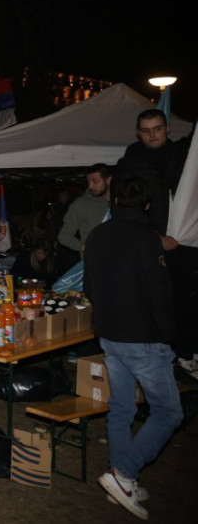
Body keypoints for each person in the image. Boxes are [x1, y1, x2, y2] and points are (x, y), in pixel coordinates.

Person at [84, 175, 183, 520]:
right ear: (148, 205)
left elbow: (89, 286)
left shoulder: (98, 235)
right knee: (168, 412)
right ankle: (123, 473)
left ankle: (121, 478)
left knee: (121, 408)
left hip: (110, 334)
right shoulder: (146, 239)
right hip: (143, 338)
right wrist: (170, 336)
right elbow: (159, 294)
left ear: (115, 200)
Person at [117, 108, 197, 378]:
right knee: (154, 304)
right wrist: (155, 238)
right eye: (146, 130)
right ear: (138, 133)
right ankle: (159, 361)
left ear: (167, 129)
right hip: (150, 246)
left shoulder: (181, 155)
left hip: (186, 243)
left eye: (158, 129)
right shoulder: (131, 163)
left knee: (186, 303)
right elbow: (125, 208)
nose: (153, 135)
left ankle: (186, 355)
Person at [56, 163, 111, 273]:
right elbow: (63, 236)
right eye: (89, 182)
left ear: (109, 180)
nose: (90, 186)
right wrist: (84, 247)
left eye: (95, 181)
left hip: (122, 264)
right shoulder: (81, 204)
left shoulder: (122, 202)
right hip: (94, 267)